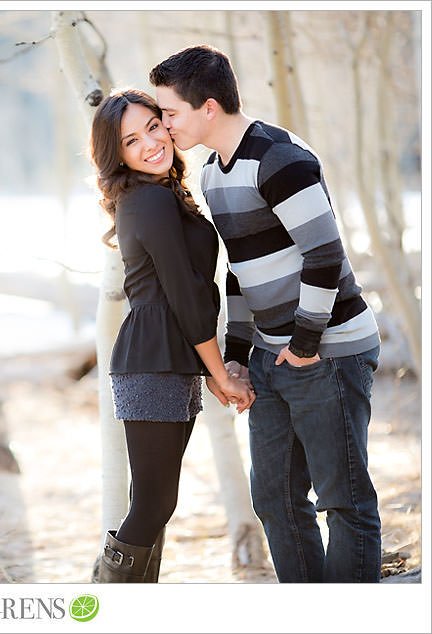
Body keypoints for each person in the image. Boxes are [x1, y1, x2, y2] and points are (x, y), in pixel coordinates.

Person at [150, 45, 382, 583]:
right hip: (272, 358)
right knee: (275, 498)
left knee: (343, 499)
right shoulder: (212, 173)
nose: (164, 127)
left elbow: (324, 256)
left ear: (208, 107)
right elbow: (241, 269)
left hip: (328, 350)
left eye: (170, 113)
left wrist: (302, 347)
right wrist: (236, 357)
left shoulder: (281, 158)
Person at [88, 89, 255, 583]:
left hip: (167, 358)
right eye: (131, 140)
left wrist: (207, 367)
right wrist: (219, 371)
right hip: (153, 360)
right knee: (155, 503)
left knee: (157, 503)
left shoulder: (157, 195)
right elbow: (183, 293)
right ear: (116, 154)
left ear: (167, 125)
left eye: (154, 128)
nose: (149, 144)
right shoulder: (149, 199)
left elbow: (189, 292)